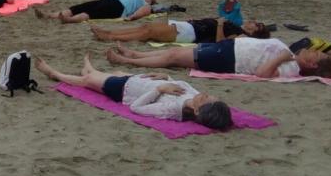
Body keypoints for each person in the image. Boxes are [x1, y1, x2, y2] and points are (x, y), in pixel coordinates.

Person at [34, 54, 232, 129]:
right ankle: (90, 68)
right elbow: (184, 85)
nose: (204, 94)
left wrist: (159, 89)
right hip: (136, 80)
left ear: (197, 110)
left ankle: (54, 73)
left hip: (125, 90)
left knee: (87, 80)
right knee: (108, 73)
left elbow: (137, 108)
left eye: (205, 98)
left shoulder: (171, 109)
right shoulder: (193, 97)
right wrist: (166, 78)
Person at [105, 38, 331, 79]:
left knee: (174, 56)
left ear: (312, 64)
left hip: (230, 58)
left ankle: (127, 61)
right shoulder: (291, 55)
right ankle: (135, 54)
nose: (311, 49)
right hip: (232, 47)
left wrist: (281, 57)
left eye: (315, 53)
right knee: (175, 53)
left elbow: (262, 74)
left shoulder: (290, 68)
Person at [92, 18, 270, 44]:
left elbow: (221, 43)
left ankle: (110, 37)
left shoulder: (240, 36)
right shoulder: (238, 25)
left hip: (191, 34)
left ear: (254, 33)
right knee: (147, 27)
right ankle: (110, 33)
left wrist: (221, 24)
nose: (254, 23)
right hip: (190, 25)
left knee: (148, 33)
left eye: (257, 26)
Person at [35, 0, 155, 23]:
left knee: (91, 13)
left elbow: (144, 11)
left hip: (118, 7)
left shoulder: (145, 3)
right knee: (78, 7)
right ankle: (50, 15)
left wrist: (132, 17)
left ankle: (69, 20)